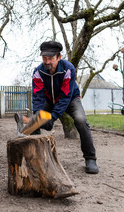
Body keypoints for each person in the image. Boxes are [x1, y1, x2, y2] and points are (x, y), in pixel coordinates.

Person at [15, 40, 99, 174]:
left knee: (81, 120)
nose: (47, 62)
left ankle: (90, 158)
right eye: (44, 58)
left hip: (71, 99)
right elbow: (38, 96)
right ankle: (36, 159)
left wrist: (52, 117)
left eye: (51, 58)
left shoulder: (68, 68)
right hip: (49, 100)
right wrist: (40, 117)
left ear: (59, 57)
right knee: (36, 120)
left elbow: (66, 96)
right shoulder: (38, 72)